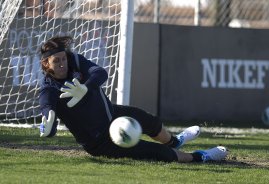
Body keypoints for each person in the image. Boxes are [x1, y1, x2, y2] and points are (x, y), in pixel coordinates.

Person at [39, 36, 228, 163]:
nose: (62, 63)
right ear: (46, 64)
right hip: (101, 141)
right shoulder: (49, 89)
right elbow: (48, 111)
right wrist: (48, 128)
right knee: (156, 153)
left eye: (63, 58)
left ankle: (175, 141)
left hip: (112, 114)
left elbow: (100, 73)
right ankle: (200, 157)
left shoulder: (75, 62)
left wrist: (86, 88)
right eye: (56, 61)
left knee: (149, 120)